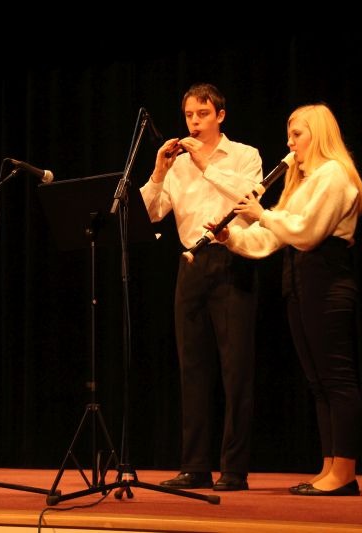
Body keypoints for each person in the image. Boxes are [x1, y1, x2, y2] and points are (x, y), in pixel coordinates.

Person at [215, 103, 362, 496]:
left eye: (296, 134)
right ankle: (330, 466)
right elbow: (273, 237)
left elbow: (307, 232)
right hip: (300, 279)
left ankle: (345, 472)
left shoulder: (334, 174)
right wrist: (231, 236)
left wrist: (261, 213)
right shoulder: (305, 180)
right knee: (318, 381)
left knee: (336, 378)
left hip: (327, 279)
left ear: (318, 133)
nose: (290, 143)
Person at [140, 83, 263, 491]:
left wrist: (207, 164)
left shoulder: (245, 155)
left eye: (203, 114)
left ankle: (234, 469)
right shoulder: (177, 166)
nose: (194, 122)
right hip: (191, 263)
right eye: (190, 115)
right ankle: (194, 466)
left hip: (232, 257)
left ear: (220, 116)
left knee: (236, 369)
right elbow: (150, 213)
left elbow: (250, 200)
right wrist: (159, 171)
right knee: (192, 368)